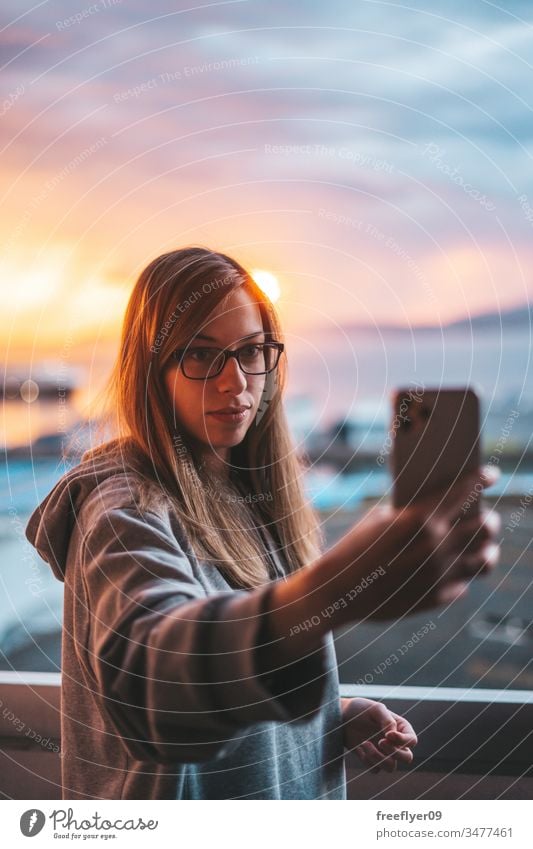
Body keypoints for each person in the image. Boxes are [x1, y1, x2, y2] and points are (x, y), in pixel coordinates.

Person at [25, 246, 500, 800]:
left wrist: (327, 719)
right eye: (201, 355)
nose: (235, 381)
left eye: (252, 351)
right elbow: (153, 681)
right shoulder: (124, 510)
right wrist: (340, 587)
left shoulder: (250, 495)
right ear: (151, 368)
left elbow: (239, 677)